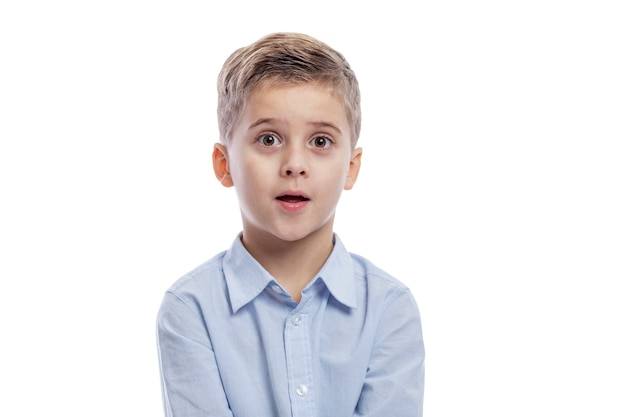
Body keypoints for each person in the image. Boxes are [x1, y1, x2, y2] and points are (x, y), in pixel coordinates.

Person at [156, 32, 425, 417]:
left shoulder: (389, 309)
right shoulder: (190, 309)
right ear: (224, 164)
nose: (295, 163)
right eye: (268, 138)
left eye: (320, 141)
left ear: (351, 168)